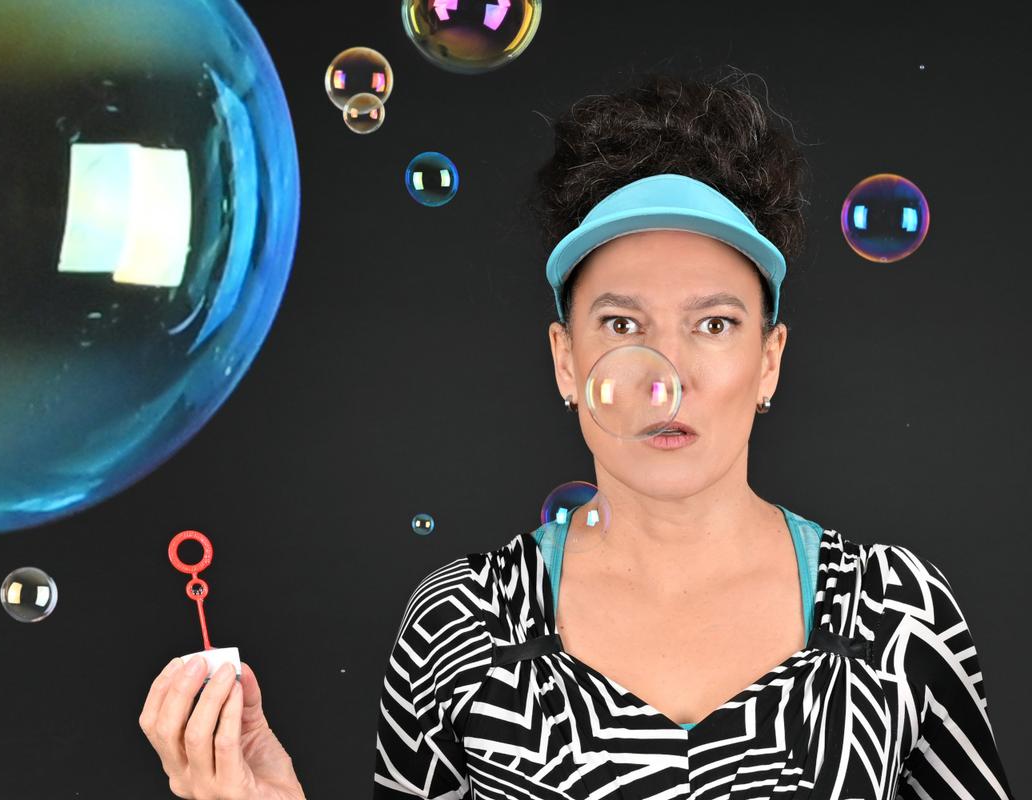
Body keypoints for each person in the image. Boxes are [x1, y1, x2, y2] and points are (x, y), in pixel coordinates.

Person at [138, 67, 1014, 799]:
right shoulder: (461, 622)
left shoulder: (900, 613)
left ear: (770, 360)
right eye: (623, 325)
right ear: (566, 360)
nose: (664, 374)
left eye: (714, 324)